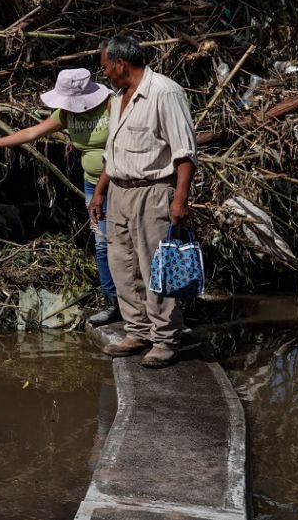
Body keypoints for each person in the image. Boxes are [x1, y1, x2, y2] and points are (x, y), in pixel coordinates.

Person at [0, 68, 121, 326]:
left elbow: (118, 150)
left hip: (122, 185)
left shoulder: (112, 106)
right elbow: (31, 133)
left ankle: (142, 305)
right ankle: (113, 303)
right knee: (103, 245)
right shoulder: (67, 113)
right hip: (93, 186)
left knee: (126, 245)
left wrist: (102, 191)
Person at [87, 35, 197, 368]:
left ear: (120, 63)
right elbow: (113, 152)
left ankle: (165, 339)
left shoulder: (164, 92)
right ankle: (138, 330)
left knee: (154, 267)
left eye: (105, 66)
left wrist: (180, 199)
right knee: (123, 265)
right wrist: (101, 190)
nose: (104, 72)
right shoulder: (119, 97)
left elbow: (185, 153)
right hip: (120, 191)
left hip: (153, 192)